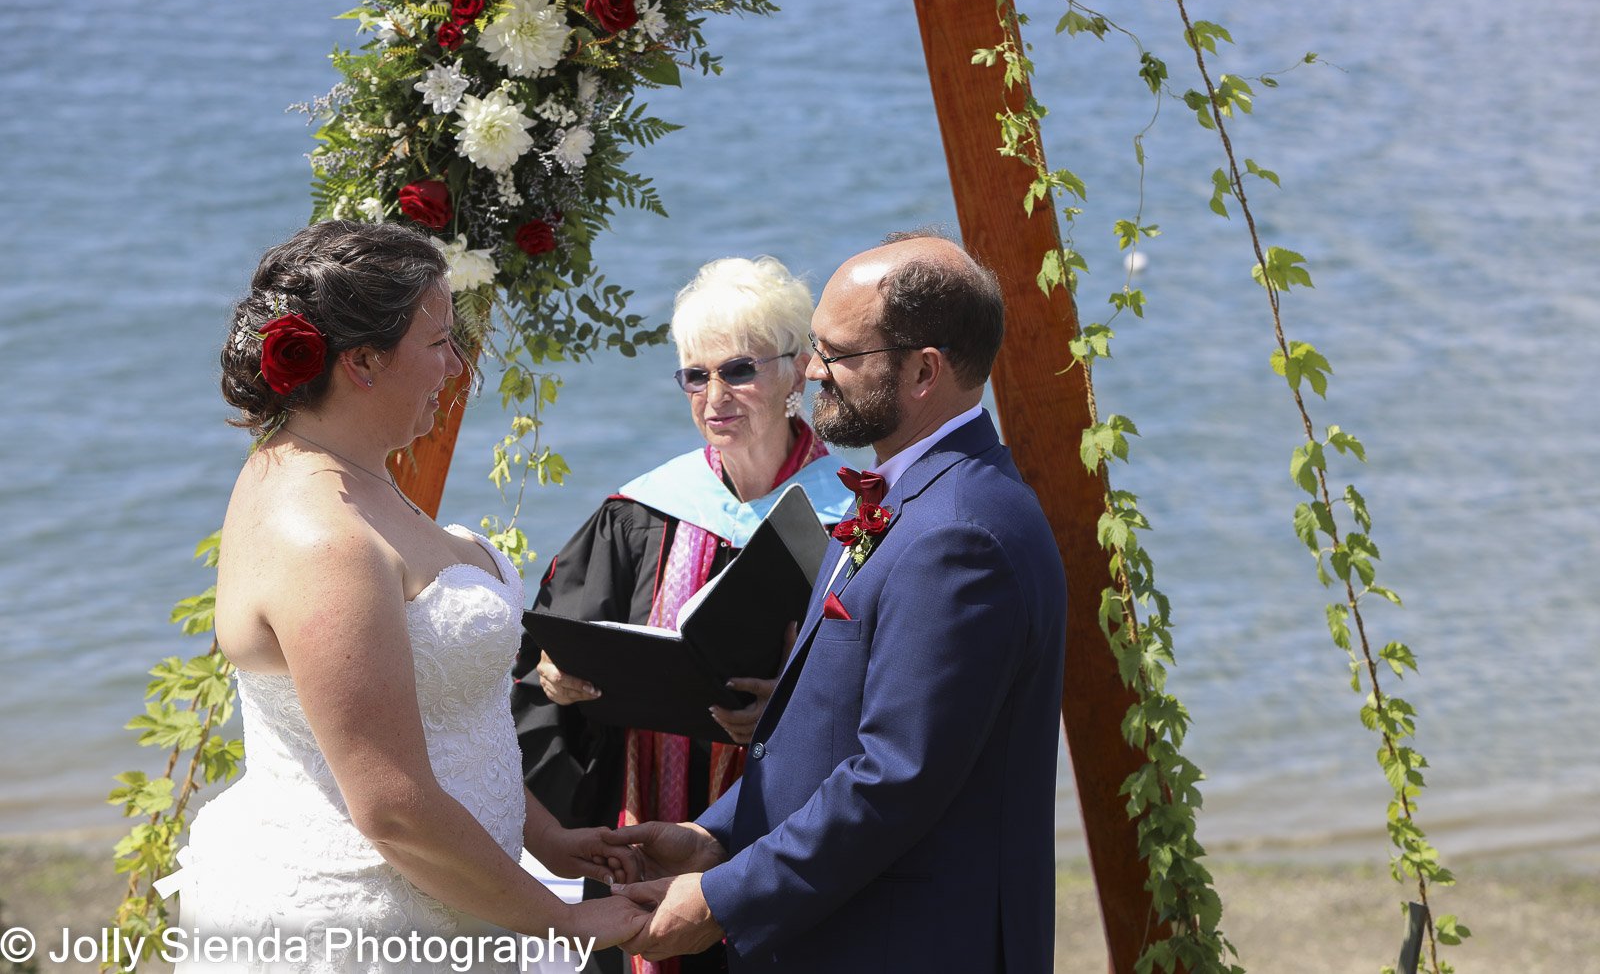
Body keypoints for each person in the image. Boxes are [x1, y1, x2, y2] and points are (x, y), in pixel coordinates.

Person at [157, 221, 648, 973]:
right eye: (439, 342)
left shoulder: (337, 467)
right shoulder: (323, 538)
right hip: (371, 933)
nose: (457, 366)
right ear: (360, 361)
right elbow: (391, 804)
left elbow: (439, 721)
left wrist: (542, 835)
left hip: (452, 900)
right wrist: (561, 920)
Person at [610, 235, 1069, 972]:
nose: (810, 371)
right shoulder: (909, 495)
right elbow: (828, 727)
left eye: (836, 353)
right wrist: (716, 835)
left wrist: (723, 896)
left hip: (902, 943)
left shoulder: (958, 534)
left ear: (924, 370)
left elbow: (895, 777)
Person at [510, 256, 856, 974]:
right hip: (647, 832)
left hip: (786, 847)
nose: (714, 396)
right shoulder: (642, 514)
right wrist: (557, 681)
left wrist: (791, 717)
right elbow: (544, 664)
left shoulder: (855, 518)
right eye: (694, 376)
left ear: (795, 372)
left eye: (737, 369)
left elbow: (891, 701)